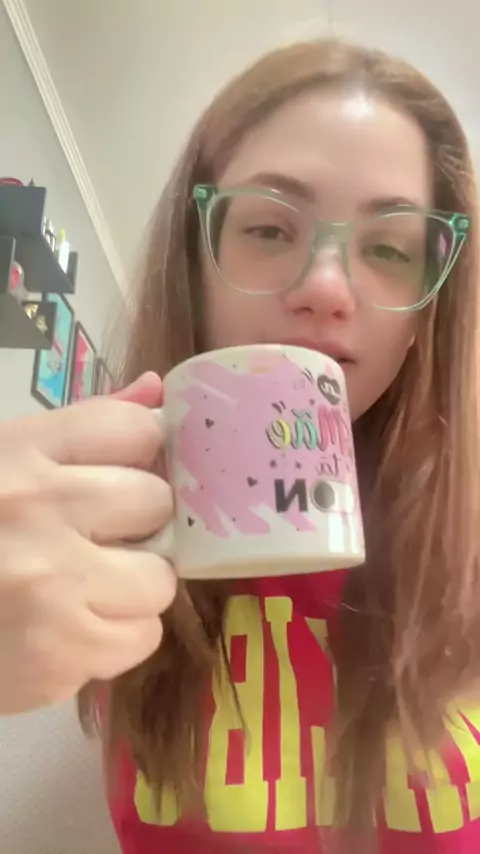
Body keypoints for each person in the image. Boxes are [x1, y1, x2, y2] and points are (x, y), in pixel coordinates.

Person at [1, 36, 480, 854]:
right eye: (267, 227)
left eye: (389, 248)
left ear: (426, 316)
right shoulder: (89, 529)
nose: (325, 288)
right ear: (195, 268)